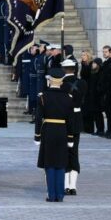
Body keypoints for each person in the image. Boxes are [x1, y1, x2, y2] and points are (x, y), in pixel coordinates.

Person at [35, 67, 75, 202]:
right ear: (62, 81)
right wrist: (70, 137)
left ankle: (51, 195)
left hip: (48, 130)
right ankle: (60, 195)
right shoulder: (68, 98)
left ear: (50, 80)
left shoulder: (43, 97)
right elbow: (71, 120)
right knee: (61, 163)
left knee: (49, 163)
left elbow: (39, 118)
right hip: (62, 130)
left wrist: (37, 136)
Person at [60, 58, 85, 194]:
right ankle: (73, 186)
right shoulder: (83, 83)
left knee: (64, 152)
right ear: (75, 69)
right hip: (77, 118)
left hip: (64, 119)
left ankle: (65, 185)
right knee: (74, 152)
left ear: (64, 69)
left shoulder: (62, 84)